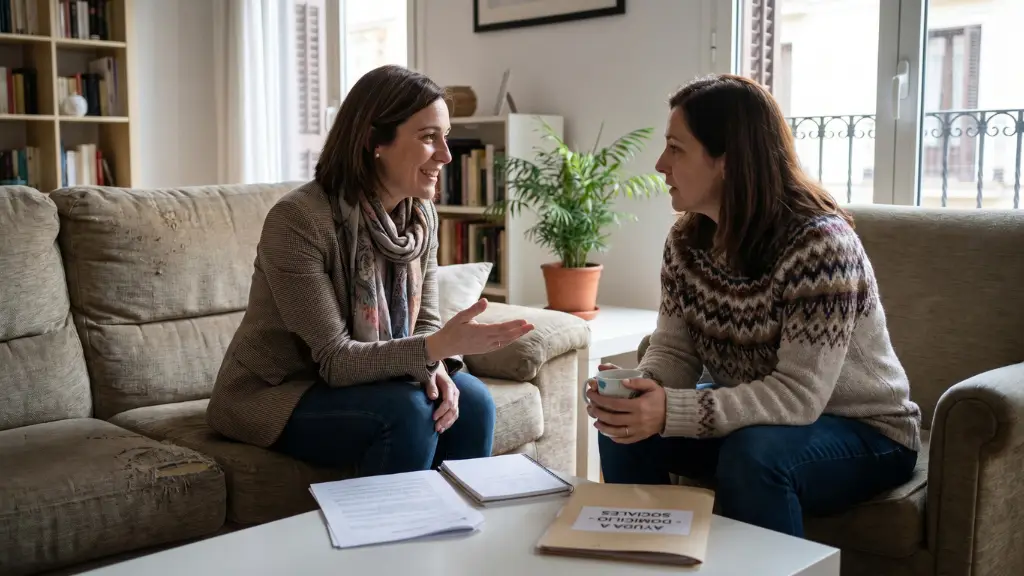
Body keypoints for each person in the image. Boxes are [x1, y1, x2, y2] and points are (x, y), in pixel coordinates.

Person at [586, 74, 921, 538]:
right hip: (757, 420)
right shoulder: (687, 240)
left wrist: (673, 410)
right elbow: (675, 351)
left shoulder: (819, 247)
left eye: (676, 148)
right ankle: (644, 558)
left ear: (727, 160)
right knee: (625, 428)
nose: (660, 164)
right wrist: (642, 391)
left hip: (864, 431)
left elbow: (799, 396)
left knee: (755, 453)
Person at [206, 64, 534, 476]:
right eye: (429, 137)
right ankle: (393, 538)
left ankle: (454, 534)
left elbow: (425, 325)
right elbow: (336, 360)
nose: (447, 156)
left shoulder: (421, 217)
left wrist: (437, 367)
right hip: (278, 392)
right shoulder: (298, 220)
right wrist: (435, 350)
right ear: (374, 141)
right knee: (409, 412)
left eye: (445, 137)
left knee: (474, 402)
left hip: (372, 379)